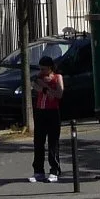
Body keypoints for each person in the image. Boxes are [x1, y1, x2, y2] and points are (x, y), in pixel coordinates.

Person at [29, 54, 64, 183]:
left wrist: (48, 89)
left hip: (53, 112)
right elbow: (36, 87)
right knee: (38, 142)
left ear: (50, 68)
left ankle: (54, 170)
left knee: (53, 142)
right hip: (40, 112)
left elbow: (59, 94)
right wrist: (46, 90)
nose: (41, 71)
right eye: (40, 68)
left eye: (44, 69)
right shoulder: (38, 78)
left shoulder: (57, 77)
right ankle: (38, 171)